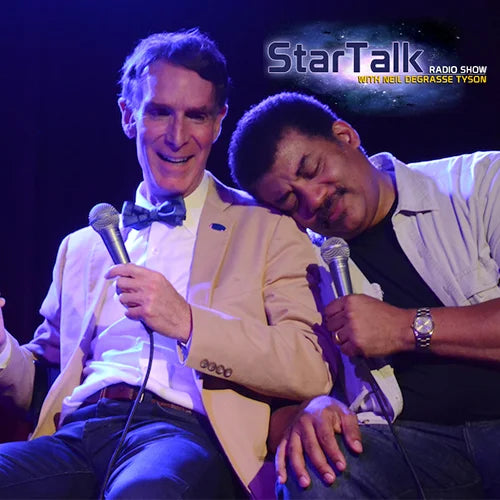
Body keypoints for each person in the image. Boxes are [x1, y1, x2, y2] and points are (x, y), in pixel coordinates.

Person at [0, 35, 333, 499]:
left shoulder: (269, 228)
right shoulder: (81, 246)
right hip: (76, 433)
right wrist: (2, 349)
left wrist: (188, 322)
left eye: (196, 115)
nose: (178, 137)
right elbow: (43, 382)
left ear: (218, 123)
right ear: (128, 116)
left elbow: (309, 365)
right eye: (159, 112)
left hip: (182, 435)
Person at [228, 91, 500, 498]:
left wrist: (405, 328)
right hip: (413, 446)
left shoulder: (478, 183)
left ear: (345, 136)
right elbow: (274, 395)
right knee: (315, 476)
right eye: (289, 201)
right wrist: (312, 409)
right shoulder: (301, 265)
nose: (314, 199)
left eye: (312, 169)